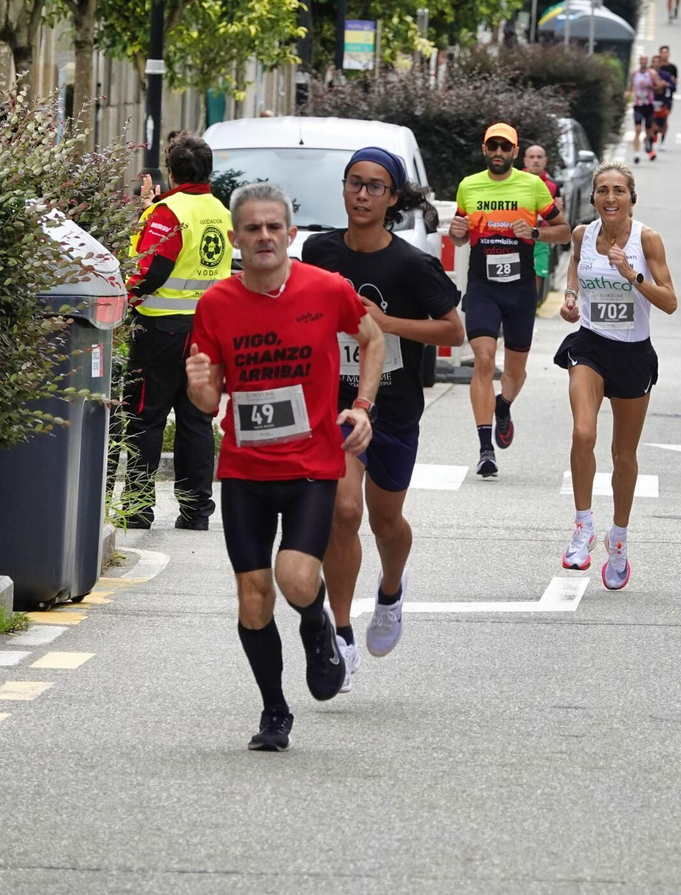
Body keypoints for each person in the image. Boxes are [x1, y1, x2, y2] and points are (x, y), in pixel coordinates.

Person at [185, 182, 385, 752]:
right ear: (235, 239)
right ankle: (275, 711)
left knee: (296, 578)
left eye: (274, 227)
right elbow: (209, 399)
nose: (265, 237)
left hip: (310, 466)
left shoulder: (326, 289)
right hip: (245, 469)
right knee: (253, 596)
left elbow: (372, 339)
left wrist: (362, 406)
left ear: (291, 234)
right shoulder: (216, 304)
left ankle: (316, 626)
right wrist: (199, 388)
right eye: (253, 228)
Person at [303, 149, 464, 691]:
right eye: (355, 183)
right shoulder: (319, 251)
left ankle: (391, 590)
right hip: (337, 406)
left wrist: (386, 324)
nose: (363, 195)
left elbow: (453, 331)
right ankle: (342, 635)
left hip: (395, 408)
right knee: (343, 512)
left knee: (385, 522)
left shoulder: (412, 265)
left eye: (375, 186)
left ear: (393, 197)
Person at [556, 164, 677, 589]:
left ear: (631, 198)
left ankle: (619, 539)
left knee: (623, 455)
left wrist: (633, 276)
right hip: (590, 346)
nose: (611, 198)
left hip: (633, 354)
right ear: (593, 198)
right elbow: (575, 266)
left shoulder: (647, 239)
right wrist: (571, 298)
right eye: (603, 191)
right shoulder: (582, 235)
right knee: (582, 433)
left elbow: (670, 302)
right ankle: (583, 526)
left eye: (619, 191)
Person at [123, 134, 234, 530]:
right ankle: (195, 511)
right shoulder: (221, 212)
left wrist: (125, 298)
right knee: (196, 420)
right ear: (208, 171)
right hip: (207, 331)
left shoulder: (168, 213)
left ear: (171, 172)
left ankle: (138, 508)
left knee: (146, 418)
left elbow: (151, 271)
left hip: (161, 331)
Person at [449, 123, 570, 479]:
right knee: (484, 360)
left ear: (515, 152)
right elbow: (460, 236)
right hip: (483, 287)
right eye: (493, 146)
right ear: (484, 150)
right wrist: (457, 234)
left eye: (505, 147)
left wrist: (534, 232)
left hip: (519, 289)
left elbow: (563, 231)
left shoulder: (532, 186)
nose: (499, 152)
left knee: (515, 372)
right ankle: (485, 449)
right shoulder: (469, 186)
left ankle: (503, 405)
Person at [523, 144, 563, 298]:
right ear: (525, 160)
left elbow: (559, 218)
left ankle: (531, 305)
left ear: (545, 160)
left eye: (539, 157)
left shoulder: (553, 186)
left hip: (541, 237)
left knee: (538, 273)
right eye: (532, 157)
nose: (535, 161)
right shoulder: (513, 182)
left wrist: (559, 211)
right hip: (517, 236)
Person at [626, 55, 661, 164]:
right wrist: (628, 94)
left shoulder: (652, 74)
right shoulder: (634, 74)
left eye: (645, 60)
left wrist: (649, 86)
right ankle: (636, 154)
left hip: (648, 105)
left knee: (649, 130)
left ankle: (648, 143)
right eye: (641, 60)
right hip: (638, 105)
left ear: (647, 61)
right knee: (637, 129)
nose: (643, 62)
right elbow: (630, 87)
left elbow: (659, 88)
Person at [654, 48, 678, 154]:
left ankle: (662, 140)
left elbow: (674, 84)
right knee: (653, 120)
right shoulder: (651, 72)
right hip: (653, 99)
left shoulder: (671, 69)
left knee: (664, 119)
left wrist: (667, 84)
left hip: (666, 98)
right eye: (663, 52)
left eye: (666, 52)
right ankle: (653, 137)